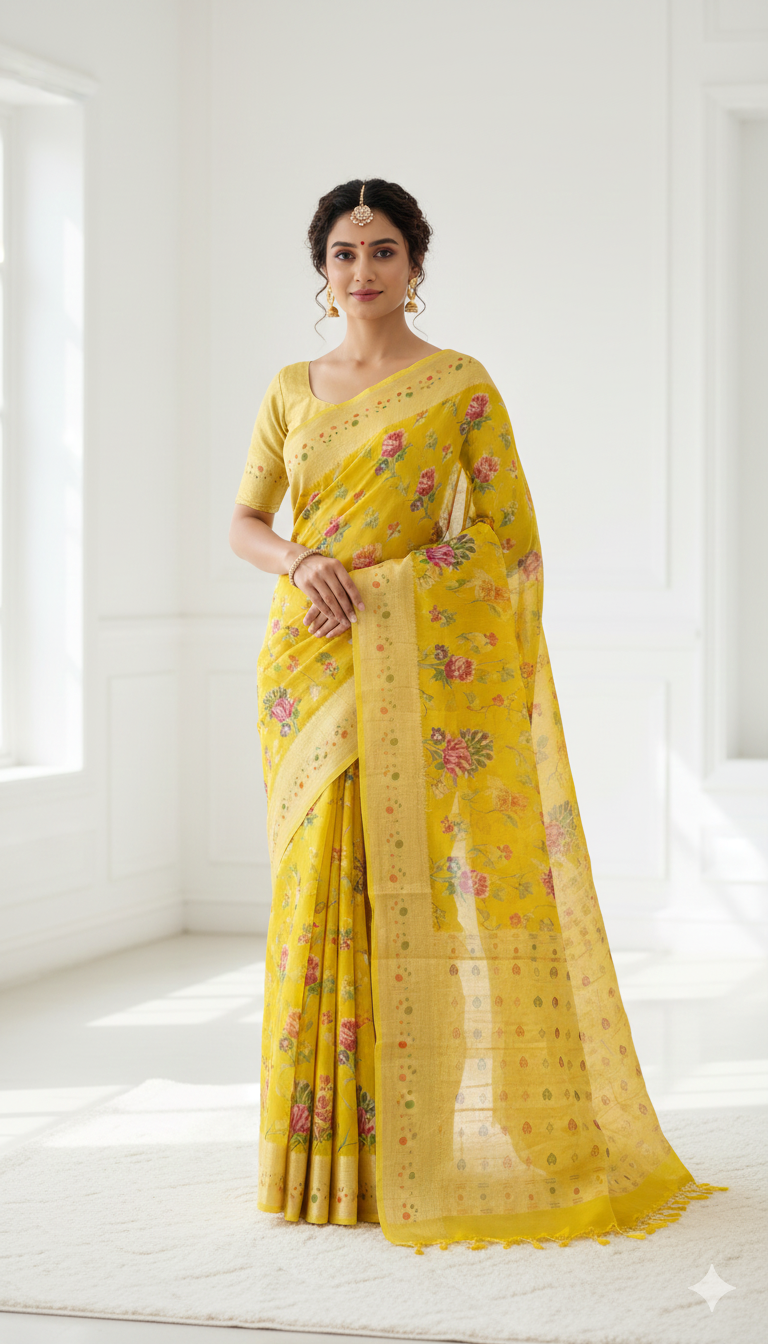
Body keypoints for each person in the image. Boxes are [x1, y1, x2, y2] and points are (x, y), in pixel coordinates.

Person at [229, 178, 726, 1250]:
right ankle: (319, 1161)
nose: (363, 270)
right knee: (315, 896)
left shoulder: (459, 385)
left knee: (413, 888)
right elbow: (245, 522)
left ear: (415, 265)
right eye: (345, 252)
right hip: (305, 667)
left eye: (384, 250)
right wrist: (302, 559)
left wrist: (398, 589)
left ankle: (412, 1149)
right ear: (321, 268)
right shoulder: (290, 388)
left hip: (417, 668)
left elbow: (510, 544)